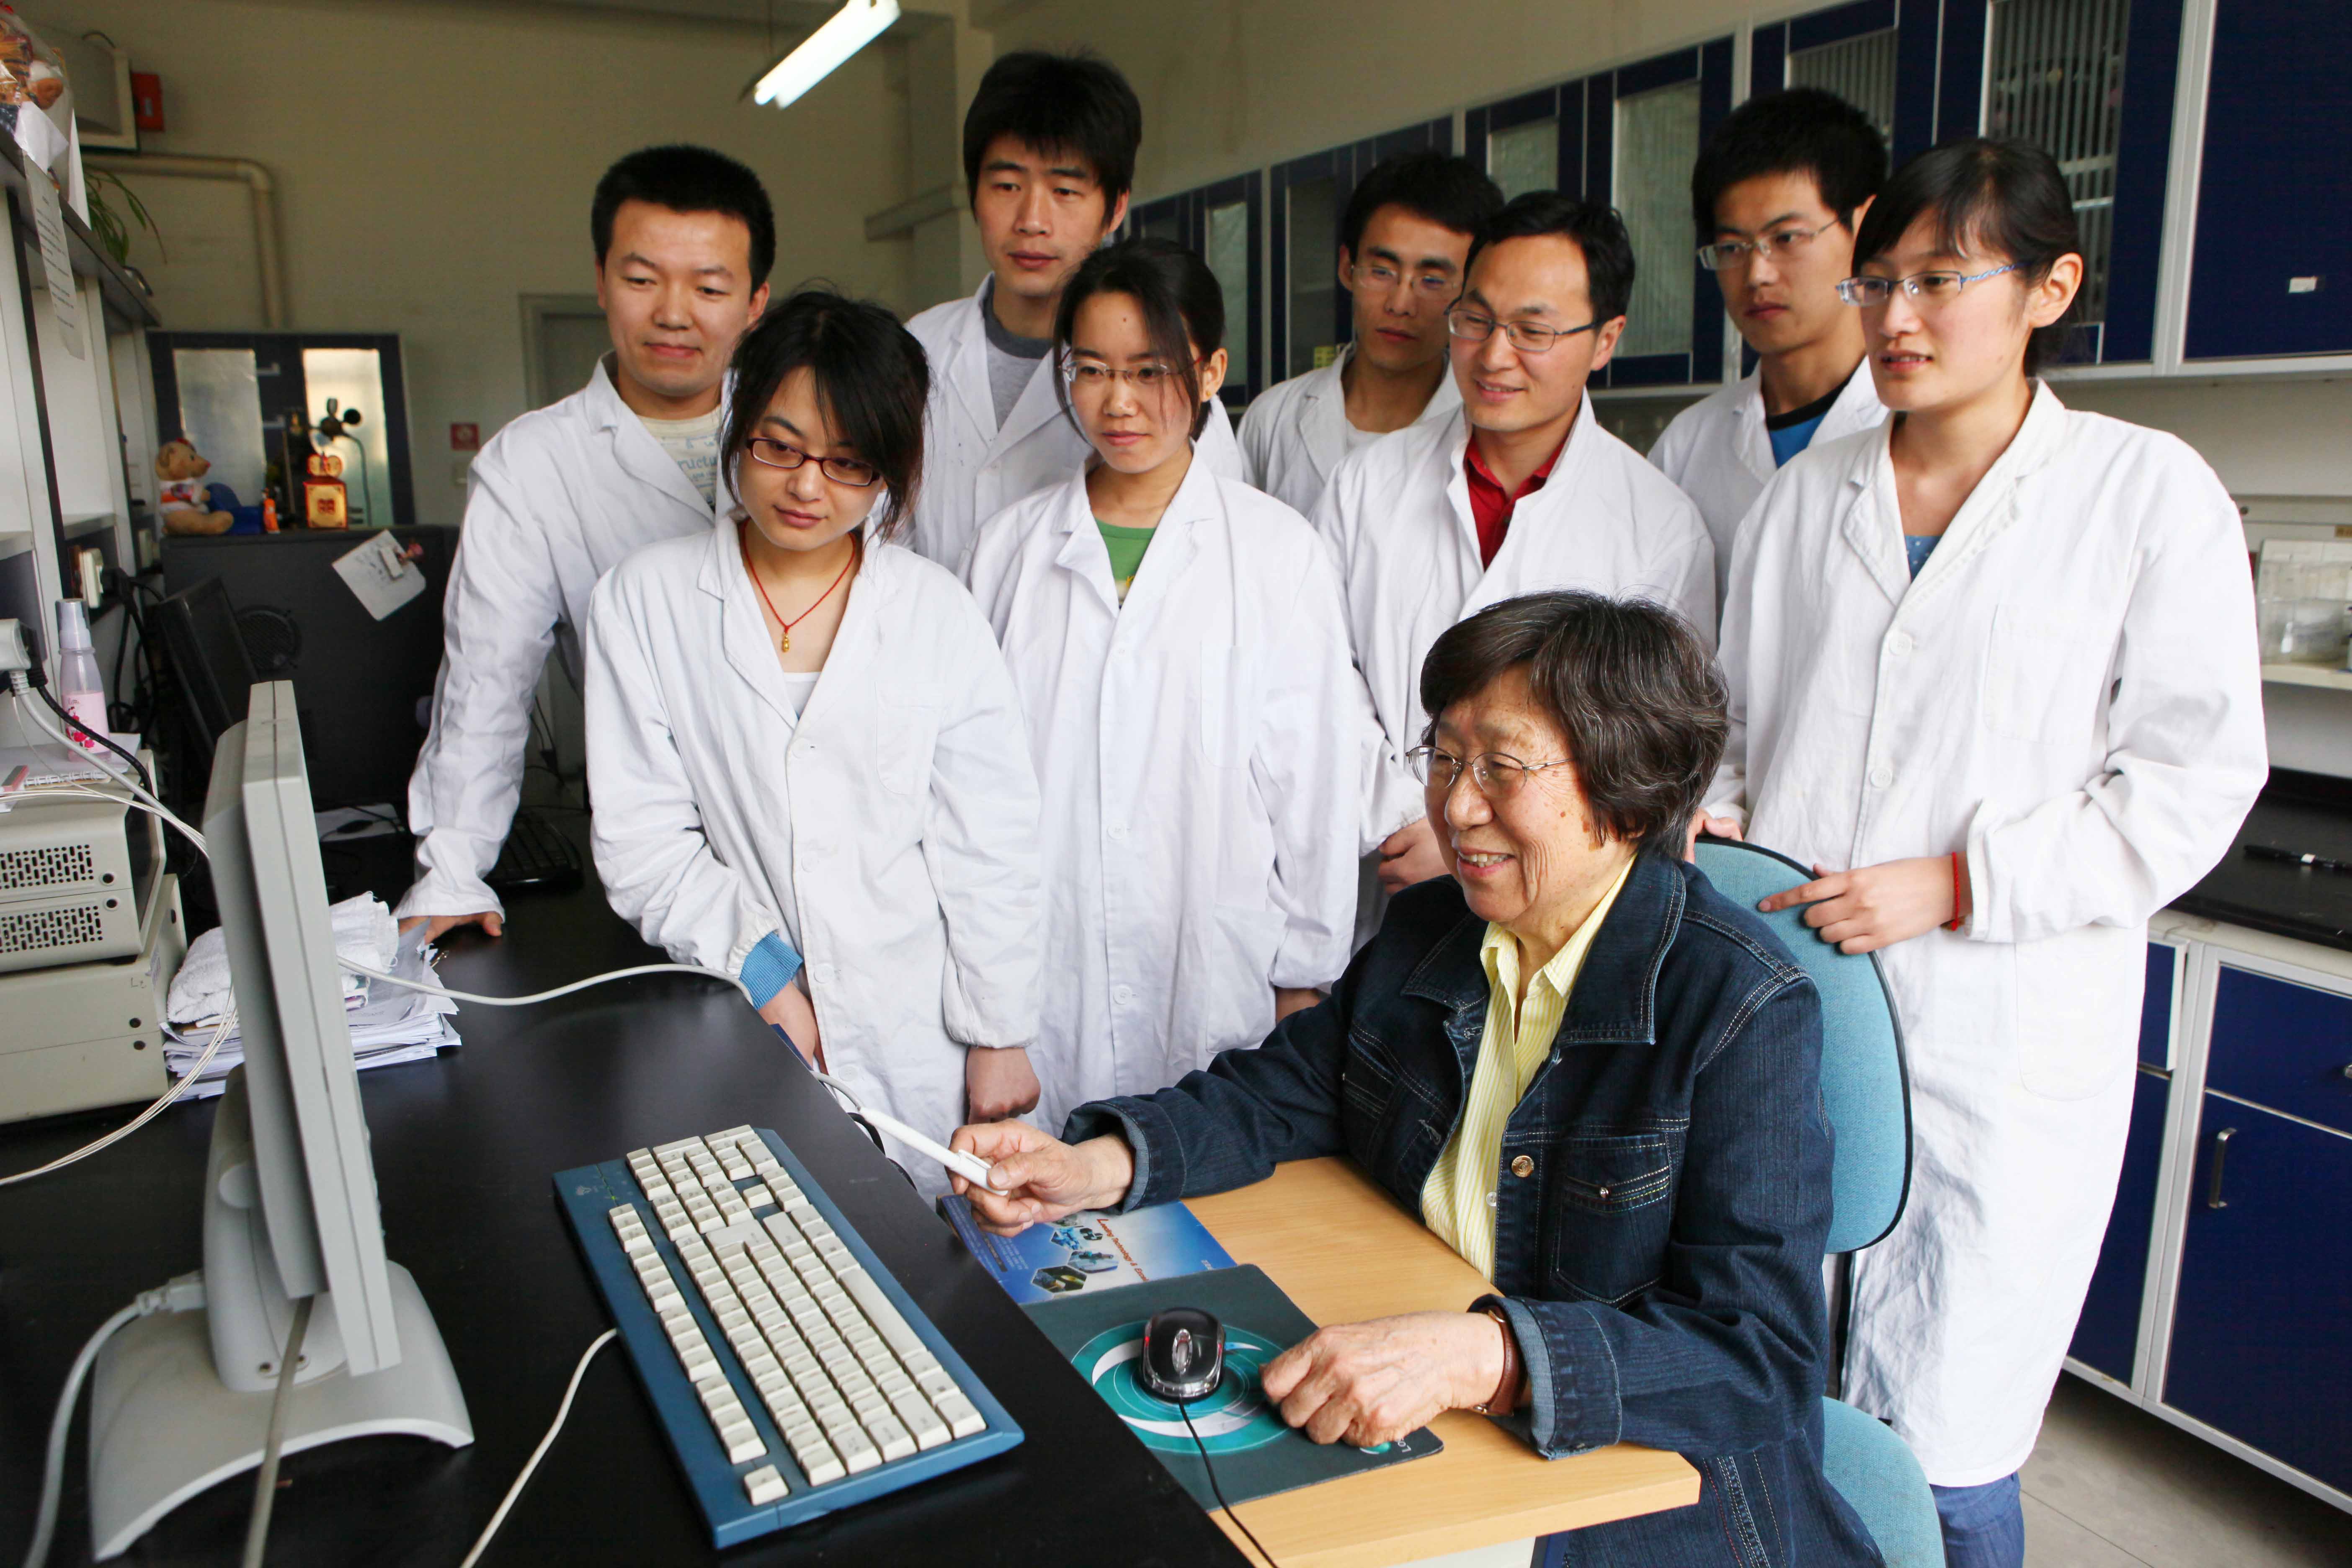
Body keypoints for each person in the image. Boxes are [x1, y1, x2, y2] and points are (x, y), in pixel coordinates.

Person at [953, 592, 1881, 1568]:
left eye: (1502, 766)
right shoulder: (1433, 928)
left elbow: (1758, 1356)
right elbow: (1281, 1091)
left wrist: (1487, 1355)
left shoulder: (1738, 1005)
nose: (1456, 805)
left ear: (1631, 798)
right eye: (1444, 756)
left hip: (1629, 1491)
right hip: (1426, 1414)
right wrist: (1093, 1165)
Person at [1707, 139, 2265, 1568]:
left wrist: (1960, 882)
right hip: (1793, 1007)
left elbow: (2192, 780)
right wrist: (1714, 813)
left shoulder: (2144, 494)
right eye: (1878, 282)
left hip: (1997, 1037)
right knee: (1776, 1412)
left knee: (1948, 1449)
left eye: (1940, 281)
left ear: (2049, 287)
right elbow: (1737, 729)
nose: (1895, 318)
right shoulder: (1802, 501)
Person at [585, 290, 1047, 1192]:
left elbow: (991, 841)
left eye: (847, 462)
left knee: (944, 1246)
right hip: (745, 1018)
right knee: (772, 1250)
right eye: (780, 446)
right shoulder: (644, 600)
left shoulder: (935, 612)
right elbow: (642, 840)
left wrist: (999, 1032)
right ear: (738, 424)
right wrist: (763, 973)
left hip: (924, 1033)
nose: (806, 487)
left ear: (890, 469)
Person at [966, 238, 1376, 1137]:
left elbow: (1312, 784)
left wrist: (1305, 974)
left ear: (1211, 371)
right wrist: (984, 999)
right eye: (1092, 370)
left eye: (1150, 371)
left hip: (1216, 964)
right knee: (1048, 1197)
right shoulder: (1008, 550)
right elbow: (971, 789)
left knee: (1211, 1181)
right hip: (1045, 968)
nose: (1118, 402)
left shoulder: (1276, 552)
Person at [400, 145, 772, 944]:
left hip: (835, 830)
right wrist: (453, 866)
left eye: (710, 288)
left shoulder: (817, 436)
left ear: (756, 302)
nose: (674, 313)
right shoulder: (532, 463)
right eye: (642, 280)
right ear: (601, 280)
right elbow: (486, 679)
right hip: (659, 846)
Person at [1313, 193, 1715, 921]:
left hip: (1557, 906)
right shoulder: (1364, 486)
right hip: (1385, 867)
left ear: (1605, 339)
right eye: (1475, 320)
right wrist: (1422, 813)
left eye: (1532, 331)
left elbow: (1647, 751)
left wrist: (1475, 830)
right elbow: (1320, 677)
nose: (1494, 356)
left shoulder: (1658, 525)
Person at [904, 48, 1242, 575]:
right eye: (1007, 186)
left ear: (1116, 207)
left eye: (1065, 190)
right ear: (974, 195)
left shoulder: (1174, 394)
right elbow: (878, 535)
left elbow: (1215, 560)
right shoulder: (915, 350)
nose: (1032, 220)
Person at [1650, 89, 1891, 611]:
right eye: (1732, 248)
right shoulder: (1686, 448)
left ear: (1867, 227)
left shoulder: (1914, 427)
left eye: (1787, 238)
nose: (1757, 274)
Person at [1238, 151, 1502, 517]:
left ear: (1473, 292)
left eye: (1432, 280)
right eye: (1382, 272)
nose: (1400, 304)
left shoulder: (1488, 429)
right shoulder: (1272, 420)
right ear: (1347, 268)